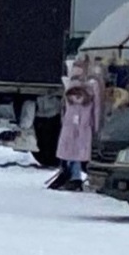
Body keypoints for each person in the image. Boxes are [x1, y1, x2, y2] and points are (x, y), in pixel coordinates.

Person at [49, 53, 102, 191]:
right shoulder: (93, 85)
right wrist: (97, 127)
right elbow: (97, 108)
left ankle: (73, 176)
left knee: (70, 151)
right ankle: (81, 178)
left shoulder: (70, 85)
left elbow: (64, 107)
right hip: (85, 124)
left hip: (70, 123)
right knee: (83, 151)